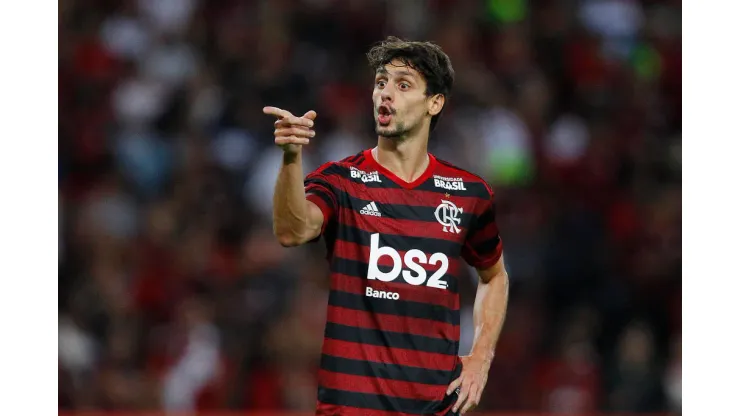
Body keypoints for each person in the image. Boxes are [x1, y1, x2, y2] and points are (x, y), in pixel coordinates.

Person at [264, 36, 509, 416]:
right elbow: (291, 231)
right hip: (351, 407)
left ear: (435, 103)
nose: (385, 94)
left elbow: (494, 276)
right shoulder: (341, 180)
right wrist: (291, 158)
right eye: (380, 83)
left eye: (403, 84)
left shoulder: (467, 194)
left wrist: (481, 356)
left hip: (435, 407)